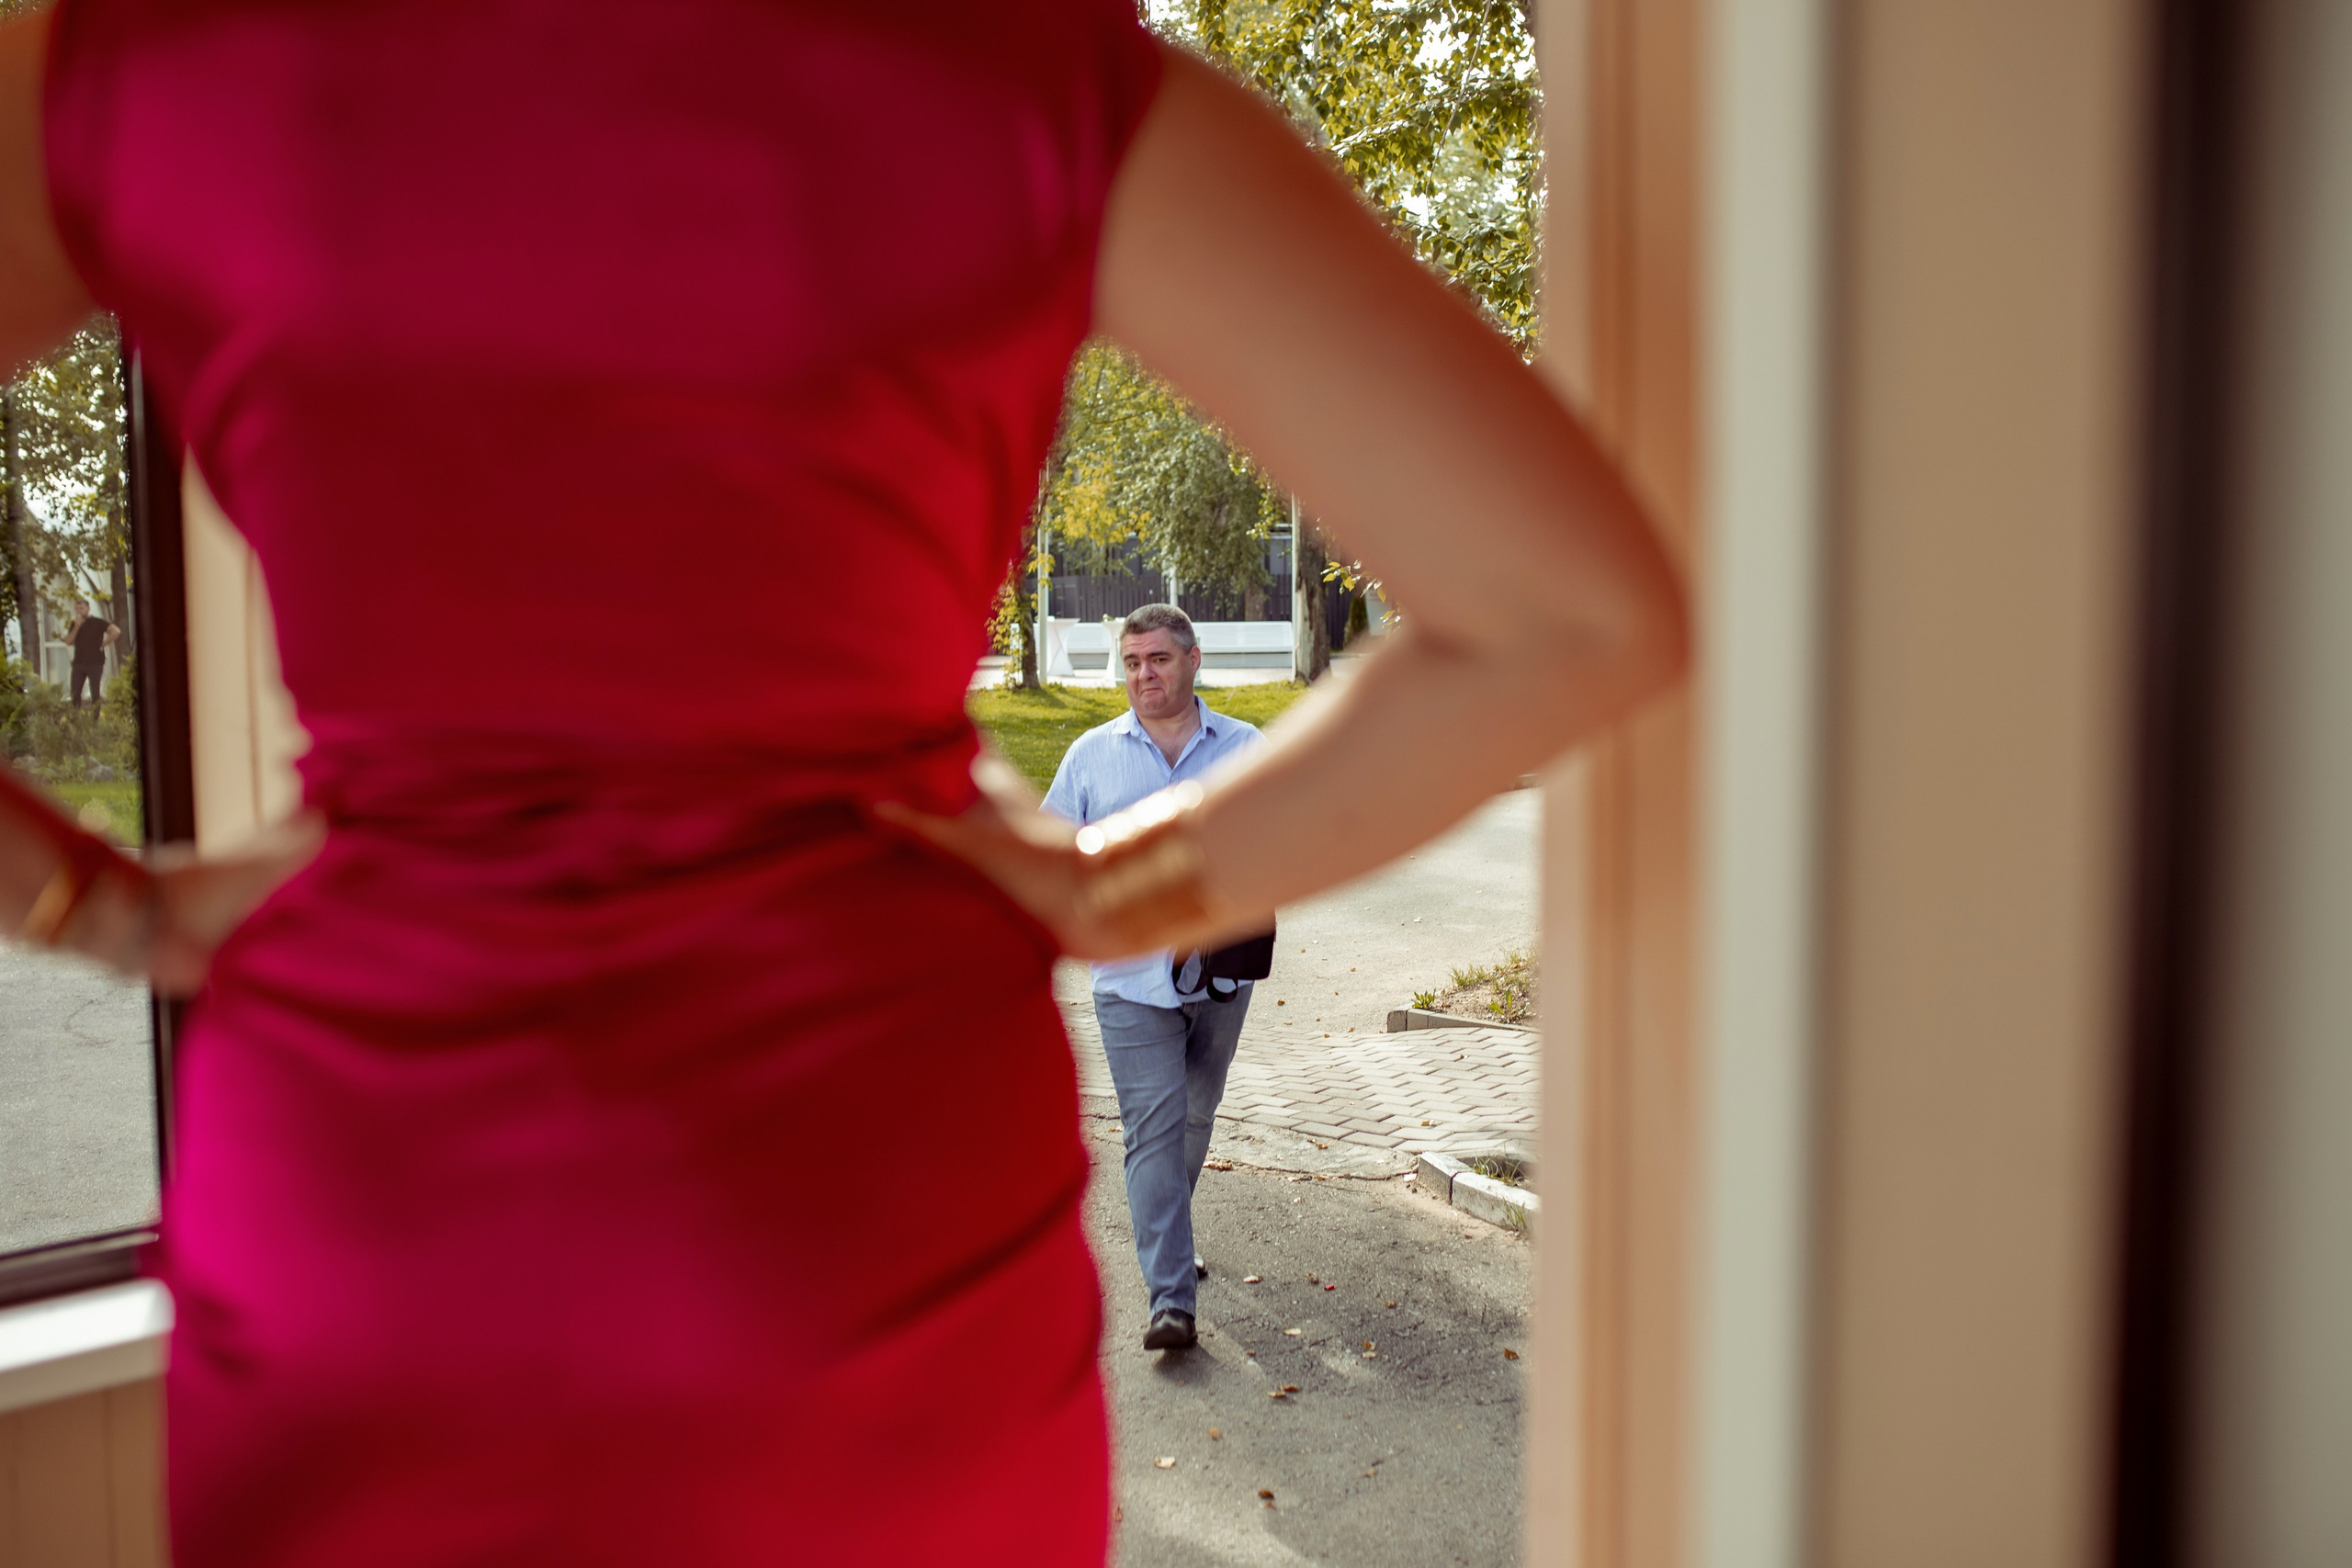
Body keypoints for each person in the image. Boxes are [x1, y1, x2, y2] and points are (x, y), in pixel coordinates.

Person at [0, 3, 1687, 1562]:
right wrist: (1118, 885)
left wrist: (98, 898)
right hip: (862, 1196)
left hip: (362, 1210)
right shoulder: (1013, 63)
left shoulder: (151, 57)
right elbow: (1568, 612)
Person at [1044, 604, 1261, 1351]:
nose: (1144, 675)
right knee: (1152, 1131)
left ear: (1193, 660)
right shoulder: (1091, 756)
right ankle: (1171, 1297)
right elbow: (1053, 856)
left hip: (1224, 975)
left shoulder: (1244, 748)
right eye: (1132, 662)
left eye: (1158, 660)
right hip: (1129, 983)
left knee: (1195, 1115)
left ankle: (1172, 1228)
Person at [62, 596, 118, 711]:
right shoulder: (75, 624)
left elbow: (115, 631)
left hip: (95, 663)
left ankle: (95, 721)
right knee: (75, 693)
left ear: (88, 608)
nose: (79, 611)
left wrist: (104, 643)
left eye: (82, 608)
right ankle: (76, 719)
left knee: (95, 693)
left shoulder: (97, 622)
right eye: (77, 609)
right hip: (79, 663)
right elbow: (68, 641)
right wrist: (76, 627)